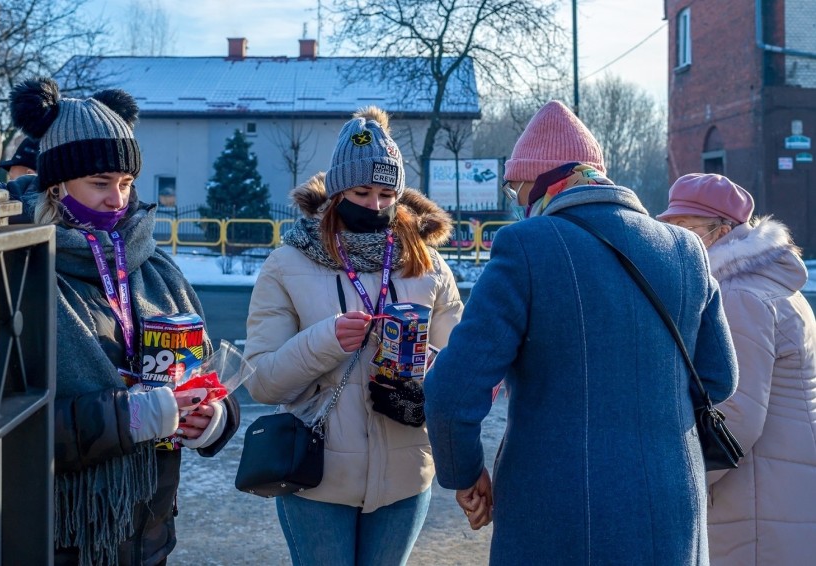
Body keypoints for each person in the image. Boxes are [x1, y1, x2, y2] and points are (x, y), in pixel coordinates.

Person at [423, 100, 739, 565]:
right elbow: (720, 377)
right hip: (672, 507)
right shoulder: (686, 249)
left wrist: (465, 473)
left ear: (546, 182)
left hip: (556, 513)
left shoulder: (525, 246)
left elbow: (452, 392)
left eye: (518, 192)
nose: (519, 204)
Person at [9, 77, 240, 566]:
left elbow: (207, 378)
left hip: (149, 530)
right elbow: (11, 428)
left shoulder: (156, 267)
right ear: (56, 184)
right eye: (99, 183)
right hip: (62, 537)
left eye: (126, 182)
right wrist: (133, 416)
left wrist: (212, 417)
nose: (118, 200)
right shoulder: (22, 270)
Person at [243, 106, 463, 565]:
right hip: (317, 478)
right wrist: (326, 340)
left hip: (406, 475)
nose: (375, 205)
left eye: (387, 193)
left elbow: (458, 360)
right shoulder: (288, 264)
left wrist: (424, 362)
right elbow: (261, 382)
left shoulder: (428, 265)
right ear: (338, 189)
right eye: (362, 191)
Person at [658, 173, 816, 565]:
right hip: (783, 486)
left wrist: (683, 482)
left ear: (723, 231)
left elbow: (736, 415)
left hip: (755, 497)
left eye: (688, 229)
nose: (677, 242)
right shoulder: (773, 286)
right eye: (670, 229)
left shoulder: (738, 296)